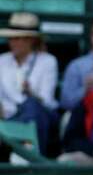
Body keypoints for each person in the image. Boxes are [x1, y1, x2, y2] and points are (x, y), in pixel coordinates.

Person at [0, 12, 58, 155]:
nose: (13, 43)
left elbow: (47, 101)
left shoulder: (48, 61)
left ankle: (29, 156)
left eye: (19, 38)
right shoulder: (1, 60)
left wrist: (30, 93)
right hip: (8, 115)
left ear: (31, 40)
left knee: (32, 105)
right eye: (11, 38)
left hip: (40, 116)